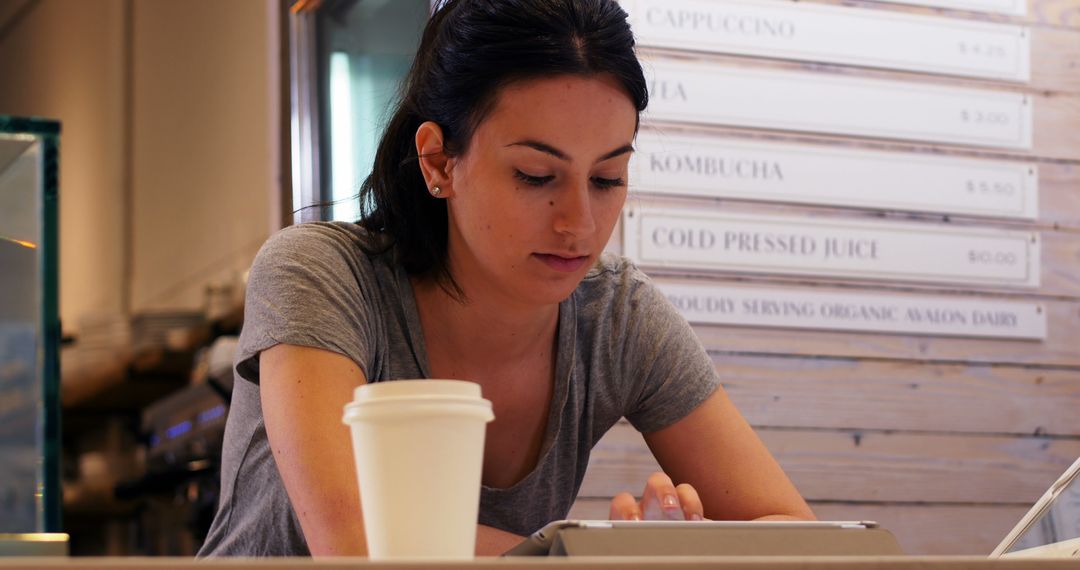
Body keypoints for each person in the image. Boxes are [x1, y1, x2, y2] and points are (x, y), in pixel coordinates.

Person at [198, 0, 814, 558]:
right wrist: (594, 559)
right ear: (439, 161)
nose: (580, 223)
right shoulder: (319, 275)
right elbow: (359, 545)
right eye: (535, 176)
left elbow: (794, 532)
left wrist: (699, 552)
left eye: (606, 179)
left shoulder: (617, 315)